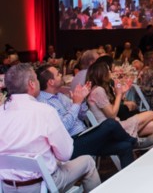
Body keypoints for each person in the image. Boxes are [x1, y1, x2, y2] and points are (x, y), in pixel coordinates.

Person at [0, 64, 101, 193]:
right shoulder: (45, 111)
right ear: (31, 84)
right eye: (36, 79)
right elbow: (66, 154)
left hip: (6, 187)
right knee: (88, 162)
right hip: (42, 186)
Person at [36, 65, 153, 169]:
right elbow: (63, 128)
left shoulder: (60, 96)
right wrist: (76, 104)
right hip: (71, 144)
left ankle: (129, 183)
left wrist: (81, 100)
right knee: (110, 123)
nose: (61, 75)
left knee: (125, 146)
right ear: (50, 82)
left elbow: (81, 116)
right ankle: (135, 141)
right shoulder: (43, 103)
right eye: (57, 74)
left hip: (85, 136)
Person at [87, 61, 153, 141]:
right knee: (152, 114)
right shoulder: (98, 91)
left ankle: (141, 146)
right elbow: (112, 115)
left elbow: (110, 109)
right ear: (102, 73)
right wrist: (119, 94)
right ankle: (140, 145)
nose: (110, 72)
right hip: (112, 130)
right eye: (108, 70)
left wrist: (120, 95)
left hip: (114, 126)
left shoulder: (96, 89)